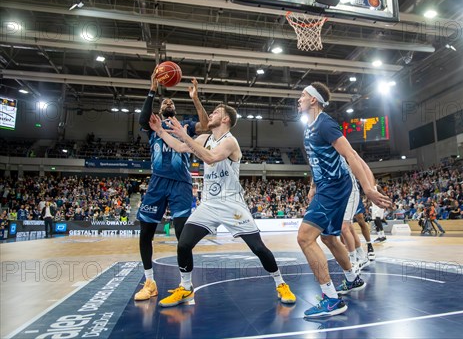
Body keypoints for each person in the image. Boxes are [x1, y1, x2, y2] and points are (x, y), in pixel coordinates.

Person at [149, 104, 296, 307]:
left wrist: (185, 135)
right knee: (183, 244)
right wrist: (160, 131)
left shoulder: (230, 142)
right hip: (209, 203)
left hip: (231, 203)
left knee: (258, 247)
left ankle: (281, 283)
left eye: (216, 112)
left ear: (226, 119)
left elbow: (209, 157)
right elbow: (180, 146)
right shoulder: (204, 139)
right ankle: (186, 288)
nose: (211, 114)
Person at [296, 82, 391, 318]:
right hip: (326, 186)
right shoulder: (309, 126)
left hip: (336, 186)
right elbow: (318, 159)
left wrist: (368, 187)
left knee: (305, 238)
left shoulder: (325, 124)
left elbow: (351, 155)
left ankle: (331, 299)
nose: (298, 99)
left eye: (302, 95)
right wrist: (313, 185)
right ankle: (351, 279)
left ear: (313, 100)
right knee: (328, 237)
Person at [134, 70, 209, 301]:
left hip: (181, 184)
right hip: (157, 183)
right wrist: (152, 88)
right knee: (145, 233)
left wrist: (196, 99)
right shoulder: (153, 123)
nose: (168, 102)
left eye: (171, 101)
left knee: (182, 236)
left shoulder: (184, 125)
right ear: (159, 108)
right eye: (164, 101)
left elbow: (205, 125)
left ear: (175, 109)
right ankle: (149, 282)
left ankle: (185, 285)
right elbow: (142, 118)